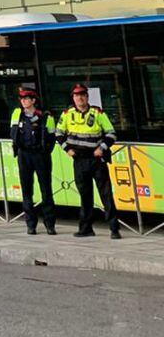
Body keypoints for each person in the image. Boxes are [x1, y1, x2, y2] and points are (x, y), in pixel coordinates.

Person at [56, 84, 121, 239]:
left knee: (105, 194)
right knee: (85, 195)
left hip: (96, 159)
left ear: (87, 97)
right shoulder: (67, 114)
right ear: (73, 98)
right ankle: (86, 228)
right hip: (79, 159)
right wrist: (67, 149)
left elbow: (111, 134)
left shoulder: (97, 113)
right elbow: (58, 134)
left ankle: (114, 229)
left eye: (82, 95)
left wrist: (102, 148)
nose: (80, 98)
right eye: (76, 95)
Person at [9, 87, 56, 236]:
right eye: (21, 99)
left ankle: (50, 224)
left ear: (33, 100)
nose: (23, 101)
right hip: (24, 155)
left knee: (46, 190)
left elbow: (52, 137)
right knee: (26, 191)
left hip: (40, 155)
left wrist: (45, 151)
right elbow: (13, 133)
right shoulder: (17, 114)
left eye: (26, 99)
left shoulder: (46, 116)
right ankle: (31, 225)